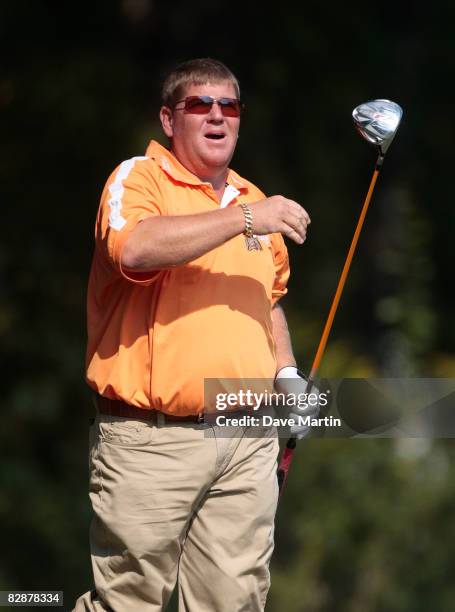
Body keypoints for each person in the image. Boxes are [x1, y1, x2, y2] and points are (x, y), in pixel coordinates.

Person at [74, 57, 311, 612]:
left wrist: (287, 373)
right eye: (198, 104)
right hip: (152, 440)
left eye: (228, 105)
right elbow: (133, 247)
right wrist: (247, 219)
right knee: (127, 602)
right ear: (167, 118)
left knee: (236, 602)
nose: (216, 115)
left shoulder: (256, 200)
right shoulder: (140, 179)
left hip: (246, 439)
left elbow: (268, 299)